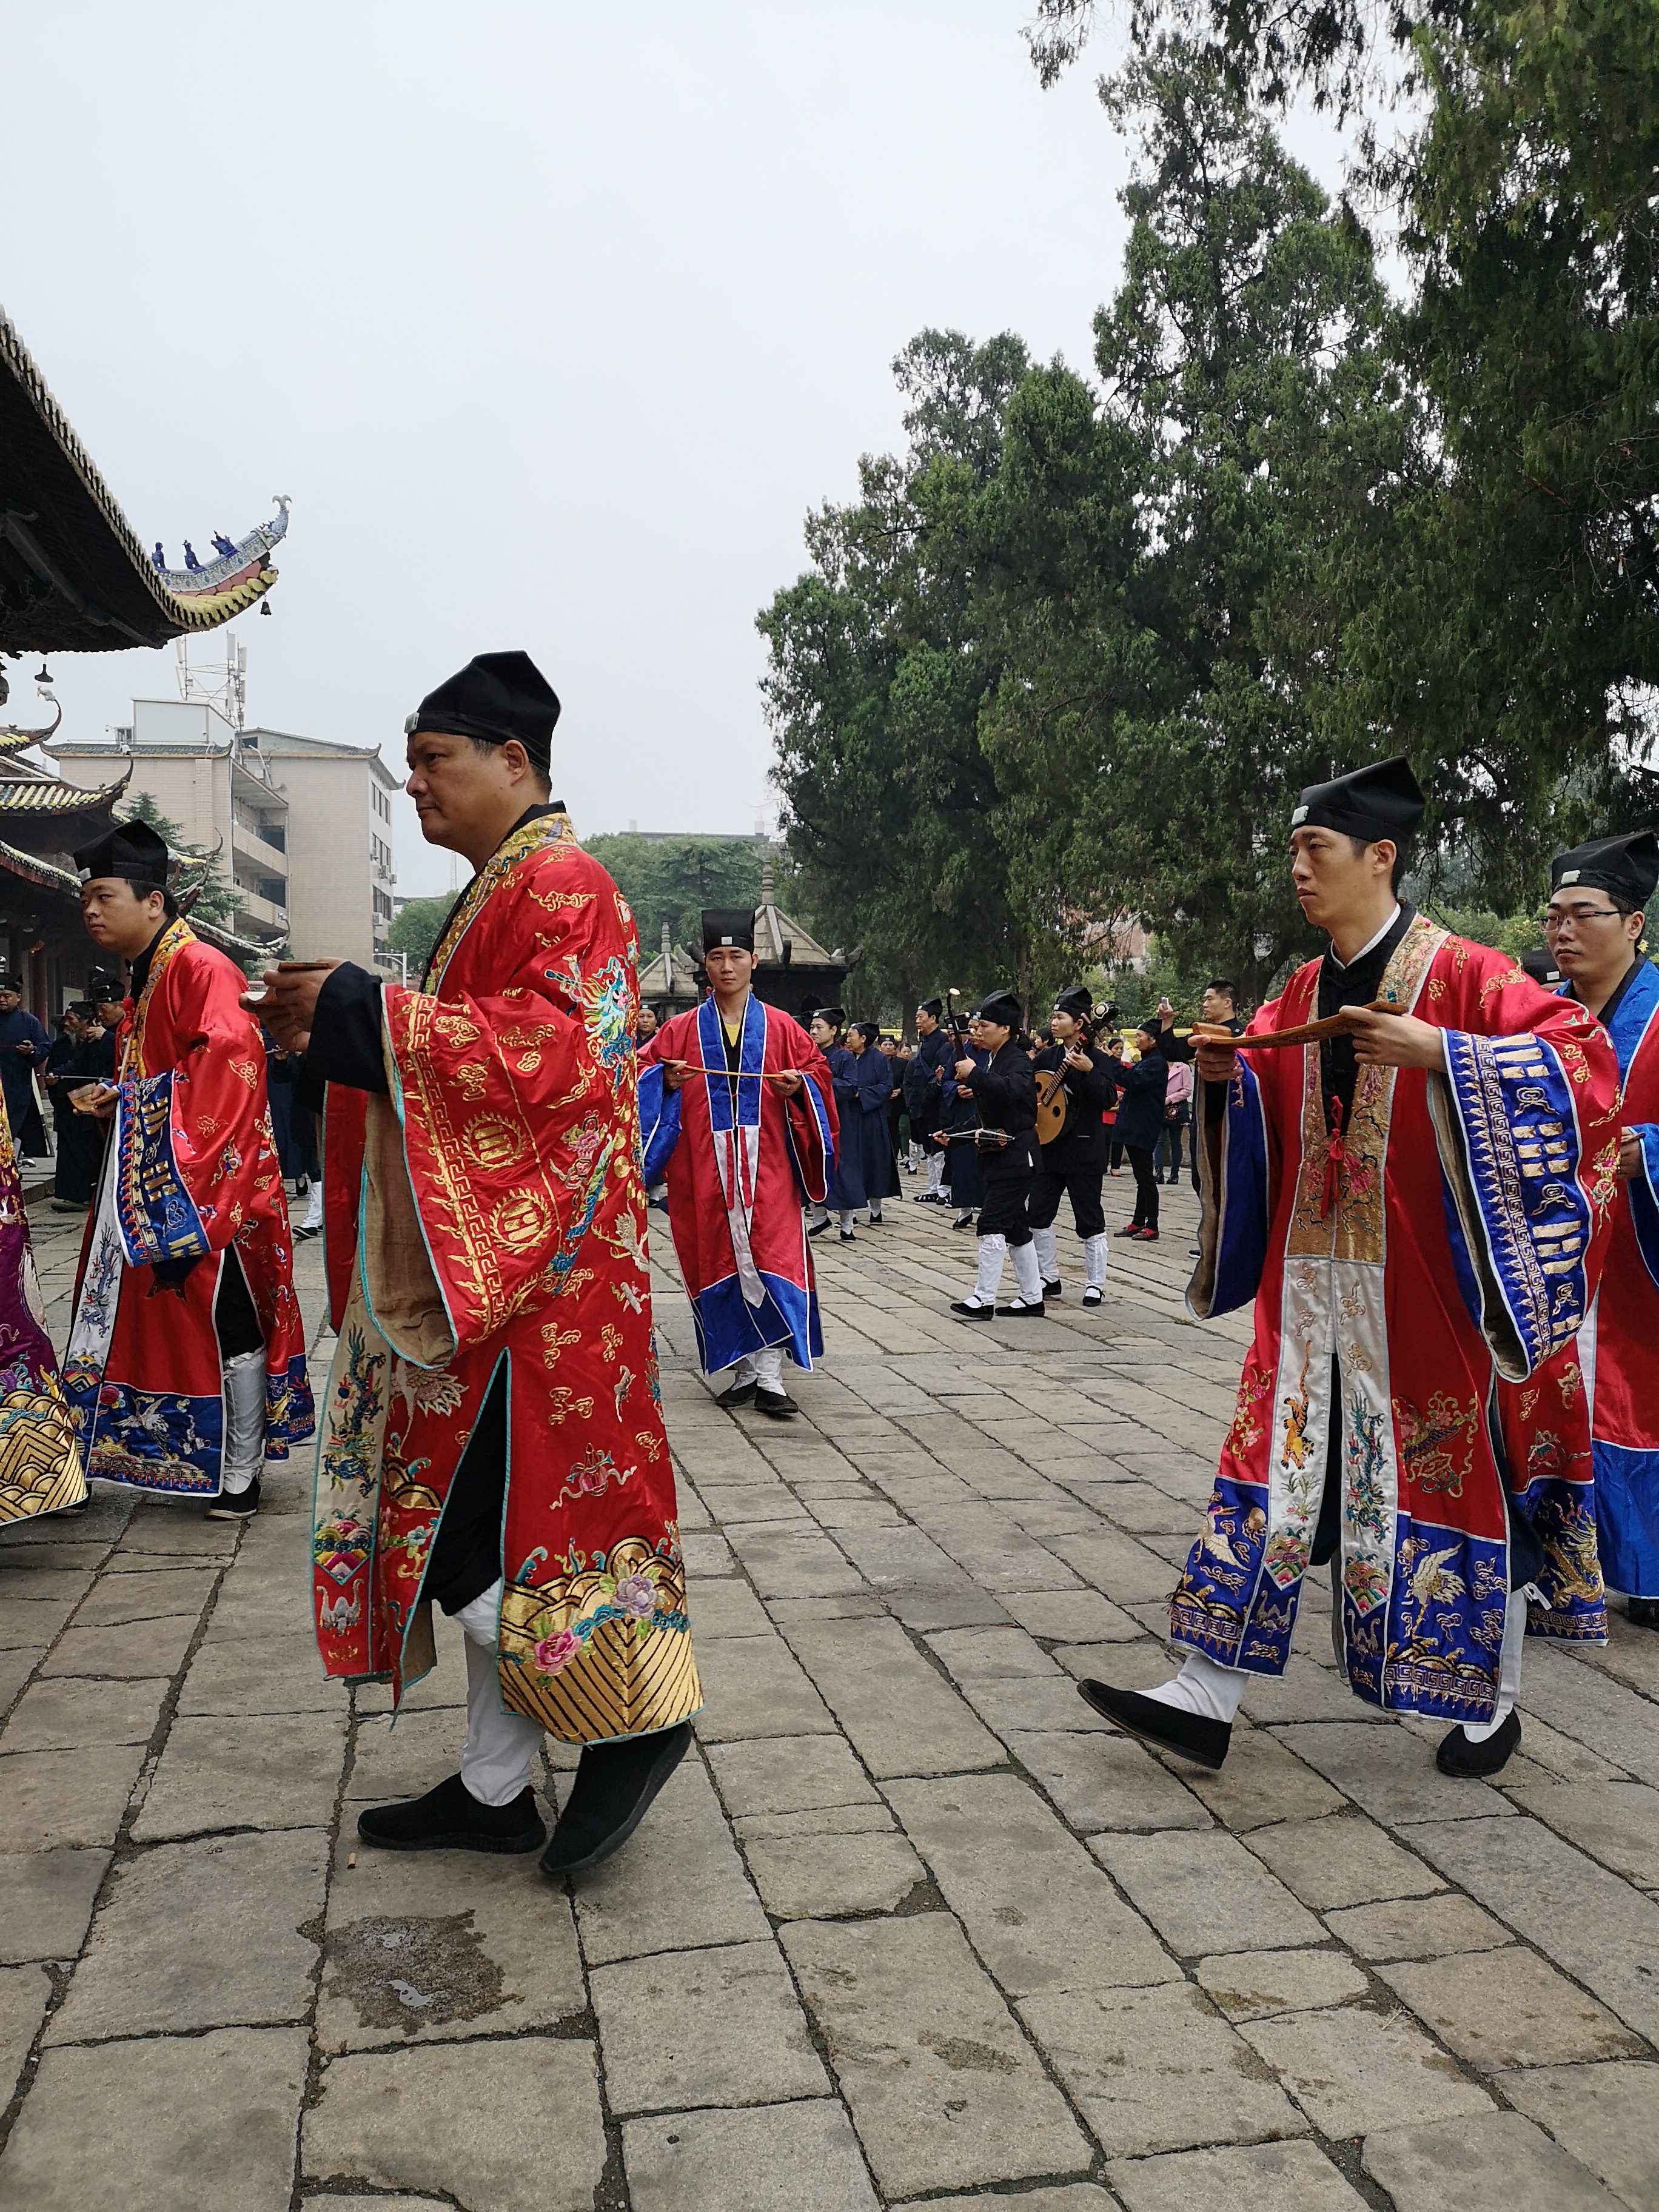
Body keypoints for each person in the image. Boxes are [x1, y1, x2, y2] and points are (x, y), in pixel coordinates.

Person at [1078, 757, 1621, 1780]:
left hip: (1432, 1301)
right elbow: (1273, 1112)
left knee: (1462, 1482)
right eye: (1292, 848)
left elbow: (1581, 1061)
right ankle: (1203, 1691)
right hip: (1310, 1298)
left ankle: (1491, 1704)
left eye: (1314, 847)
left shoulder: (1468, 977)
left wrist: (1444, 1054)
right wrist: (1228, 1077)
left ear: (1380, 856)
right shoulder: (1297, 989)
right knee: (1272, 1474)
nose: (1297, 866)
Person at [261, 650, 702, 1876]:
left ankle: (631, 1709)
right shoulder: (500, 888)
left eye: (432, 759)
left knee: (470, 1540)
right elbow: (472, 1060)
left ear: (515, 760)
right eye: (408, 763)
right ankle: (496, 1788)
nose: (415, 782)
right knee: (494, 1538)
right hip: (499, 1282)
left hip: (542, 1290)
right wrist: (344, 1026)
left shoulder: (563, 882)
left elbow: (553, 1061)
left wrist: (363, 1012)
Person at [61, 820, 313, 1520]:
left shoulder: (200, 967)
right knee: (148, 1316)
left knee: (228, 1318)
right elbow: (166, 1072)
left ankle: (242, 1471)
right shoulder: (146, 976)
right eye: (85, 899)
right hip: (158, 1178)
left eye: (104, 896)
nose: (90, 911)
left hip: (210, 1184)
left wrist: (136, 1102)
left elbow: (228, 1071)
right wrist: (119, 1096)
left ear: (154, 902)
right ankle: (159, 1452)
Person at [642, 908, 836, 1421]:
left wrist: (800, 1088)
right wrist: (665, 1081)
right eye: (716, 957)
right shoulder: (680, 1030)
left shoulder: (783, 1027)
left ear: (754, 961)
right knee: (719, 1261)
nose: (727, 966)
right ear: (705, 965)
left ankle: (770, 1377)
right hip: (704, 1168)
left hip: (767, 1165)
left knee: (772, 1257)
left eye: (736, 956)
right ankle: (744, 1370)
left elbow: (818, 1073)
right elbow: (640, 1073)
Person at [1544, 831, 1659, 1630]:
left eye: (1584, 913)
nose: (1564, 930)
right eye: (1554, 915)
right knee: (1554, 1398)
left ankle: (1646, 1572)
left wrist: (1647, 1150)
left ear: (1635, 924)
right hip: (1557, 1251)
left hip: (1640, 1256)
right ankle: (1559, 1565)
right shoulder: (1538, 1017)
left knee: (1634, 1400)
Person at [944, 990, 1041, 1319]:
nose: (979, 1031)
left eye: (985, 1026)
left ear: (1005, 1029)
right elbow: (987, 1116)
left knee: (991, 1223)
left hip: (1017, 1155)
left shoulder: (1018, 1061)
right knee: (1016, 1229)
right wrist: (954, 1135)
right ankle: (1033, 1297)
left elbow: (1011, 1091)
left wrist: (974, 1075)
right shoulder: (993, 1060)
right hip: (998, 1155)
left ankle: (983, 1299)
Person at [1029, 987, 1118, 1307]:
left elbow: (1109, 1098)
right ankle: (1048, 1276)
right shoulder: (1047, 1057)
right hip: (1049, 1148)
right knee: (1037, 1216)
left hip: (1084, 1150)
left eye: (1060, 1017)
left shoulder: (1098, 1059)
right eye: (1053, 1017)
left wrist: (1090, 1072)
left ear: (1080, 1024)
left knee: (1089, 1219)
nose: (1054, 1023)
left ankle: (1095, 1284)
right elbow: (1033, 1092)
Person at [808, 1007, 864, 1240]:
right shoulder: (807, 1055)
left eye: (819, 1027)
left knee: (843, 1171)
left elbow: (851, 1086)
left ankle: (847, 1223)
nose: (813, 1032)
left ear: (833, 1030)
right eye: (812, 1027)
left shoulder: (844, 1057)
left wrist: (820, 1085)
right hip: (813, 1121)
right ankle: (819, 1218)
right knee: (813, 1168)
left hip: (840, 1121)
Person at [1113, 1020, 1168, 1240]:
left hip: (1143, 1127)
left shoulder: (1156, 1063)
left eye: (1140, 1036)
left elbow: (1131, 1080)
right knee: (1141, 1177)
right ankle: (1138, 1221)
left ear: (1153, 1040)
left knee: (1146, 1177)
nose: (1137, 1040)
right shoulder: (1147, 1061)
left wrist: (1112, 1061)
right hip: (1134, 1125)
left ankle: (1152, 1225)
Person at [940, 1017, 988, 1229]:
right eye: (972, 1029)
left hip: (986, 1112)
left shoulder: (994, 1053)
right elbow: (947, 1080)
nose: (975, 1033)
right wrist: (956, 1090)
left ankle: (987, 1210)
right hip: (963, 1112)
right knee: (963, 1162)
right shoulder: (961, 1052)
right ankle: (964, 1210)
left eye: (980, 1028)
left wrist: (978, 1089)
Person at [906, 998, 955, 1203]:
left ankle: (942, 1190)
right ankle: (933, 1187)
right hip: (922, 1104)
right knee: (929, 1149)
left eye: (921, 1017)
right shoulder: (926, 1041)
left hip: (937, 1104)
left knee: (939, 1148)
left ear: (933, 1018)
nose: (917, 1021)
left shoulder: (942, 1042)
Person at [0, 965, 49, 1161]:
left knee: (11, 1127)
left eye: (7, 996)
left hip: (16, 1085)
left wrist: (32, 1051)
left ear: (18, 997)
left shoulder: (29, 1021)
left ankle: (10, 1165)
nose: (2, 1000)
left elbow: (44, 1046)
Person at [1157, 1051, 1193, 1183]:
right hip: (1159, 1106)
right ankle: (1158, 1172)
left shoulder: (1183, 1067)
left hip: (1177, 1108)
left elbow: (1187, 1090)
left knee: (1175, 1141)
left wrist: (1171, 1099)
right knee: (1159, 1140)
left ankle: (1175, 1174)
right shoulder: (1158, 1065)